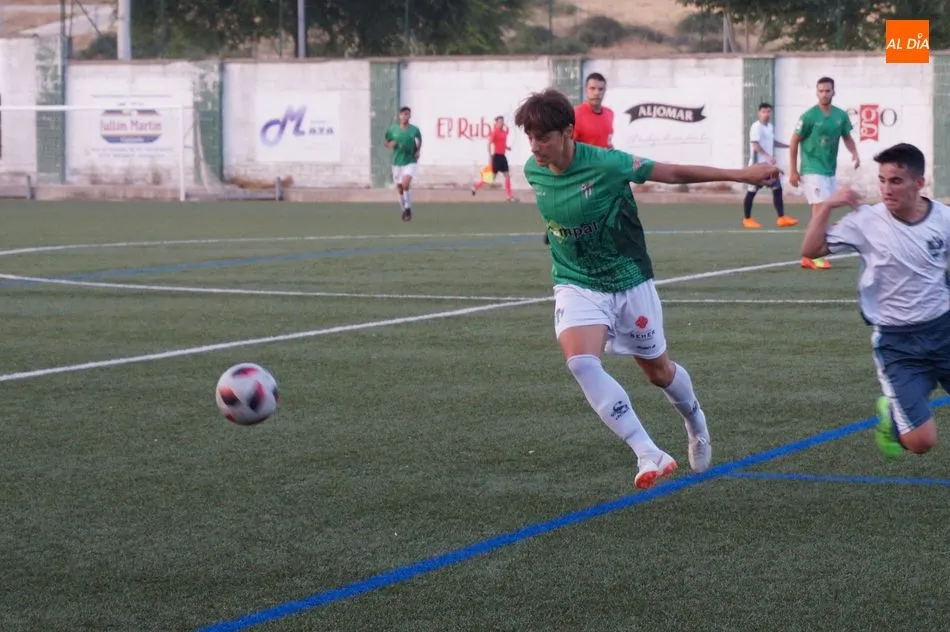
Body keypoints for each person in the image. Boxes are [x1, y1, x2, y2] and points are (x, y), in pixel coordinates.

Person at [515, 88, 780, 489]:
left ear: (568, 132)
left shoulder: (607, 164)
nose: (535, 146)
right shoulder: (533, 170)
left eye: (544, 137)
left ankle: (694, 419)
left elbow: (672, 173)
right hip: (576, 283)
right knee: (581, 362)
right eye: (530, 137)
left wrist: (741, 175)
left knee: (658, 373)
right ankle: (647, 450)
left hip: (628, 279)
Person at [801, 143, 950, 458]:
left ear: (919, 183)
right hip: (898, 344)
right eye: (882, 180)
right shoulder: (866, 221)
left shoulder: (943, 220)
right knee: (920, 444)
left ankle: (908, 399)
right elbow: (811, 250)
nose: (886, 188)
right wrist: (827, 205)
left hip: (944, 330)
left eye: (895, 180)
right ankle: (892, 416)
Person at [789, 76, 860, 269]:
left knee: (823, 211)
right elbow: (794, 141)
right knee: (821, 210)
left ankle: (810, 254)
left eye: (827, 90)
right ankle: (813, 255)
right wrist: (793, 170)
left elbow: (847, 137)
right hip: (812, 169)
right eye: (821, 91)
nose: (824, 94)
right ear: (816, 92)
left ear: (833, 92)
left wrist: (854, 153)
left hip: (829, 170)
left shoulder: (840, 116)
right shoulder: (809, 116)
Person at [543, 72, 616, 246]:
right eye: (592, 88)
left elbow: (606, 140)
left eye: (600, 89)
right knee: (575, 207)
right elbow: (567, 143)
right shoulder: (576, 115)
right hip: (581, 170)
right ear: (586, 90)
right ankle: (555, 229)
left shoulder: (609, 114)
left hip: (602, 170)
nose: (596, 92)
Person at [743, 102, 797, 229]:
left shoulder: (770, 127)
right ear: (759, 113)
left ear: (771, 113)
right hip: (757, 166)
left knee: (777, 189)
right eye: (763, 111)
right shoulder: (756, 127)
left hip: (769, 167)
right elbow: (755, 146)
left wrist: (789, 146)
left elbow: (772, 142)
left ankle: (781, 218)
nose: (766, 114)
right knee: (751, 192)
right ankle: (747, 219)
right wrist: (767, 156)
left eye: (768, 111)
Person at [384, 106, 422, 222]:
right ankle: (404, 209)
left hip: (410, 161)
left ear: (410, 116)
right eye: (403, 114)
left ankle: (408, 209)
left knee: (405, 184)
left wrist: (418, 151)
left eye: (407, 114)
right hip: (397, 162)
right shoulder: (393, 130)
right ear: (400, 116)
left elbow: (419, 141)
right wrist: (390, 145)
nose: (405, 116)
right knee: (400, 188)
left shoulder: (414, 130)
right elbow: (386, 142)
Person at [472, 116, 515, 202]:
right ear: (496, 123)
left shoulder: (504, 132)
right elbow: (489, 144)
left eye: (502, 122)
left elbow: (502, 142)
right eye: (499, 122)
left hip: (503, 157)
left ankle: (509, 196)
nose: (501, 123)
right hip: (496, 157)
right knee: (491, 179)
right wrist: (490, 155)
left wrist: (507, 148)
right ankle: (476, 187)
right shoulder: (494, 132)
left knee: (507, 176)